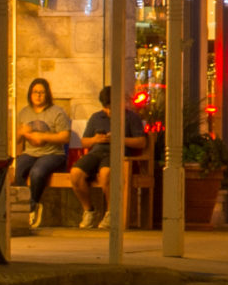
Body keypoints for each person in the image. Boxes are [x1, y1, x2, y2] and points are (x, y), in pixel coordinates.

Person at [64, 85, 149, 229]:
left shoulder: (130, 117)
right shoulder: (96, 117)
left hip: (117, 152)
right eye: (107, 108)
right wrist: (96, 139)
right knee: (75, 174)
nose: (109, 112)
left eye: (112, 107)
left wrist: (118, 139)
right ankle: (89, 210)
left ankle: (111, 212)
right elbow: (84, 141)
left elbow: (141, 142)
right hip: (96, 152)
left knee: (106, 174)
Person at [15, 77, 73, 230]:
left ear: (47, 94)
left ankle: (33, 206)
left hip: (53, 154)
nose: (38, 95)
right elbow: (15, 139)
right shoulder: (24, 113)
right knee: (17, 169)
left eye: (41, 92)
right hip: (30, 153)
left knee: (37, 172)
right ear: (30, 94)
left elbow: (65, 137)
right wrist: (21, 132)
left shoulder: (57, 112)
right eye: (35, 92)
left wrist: (42, 136)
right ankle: (23, 206)